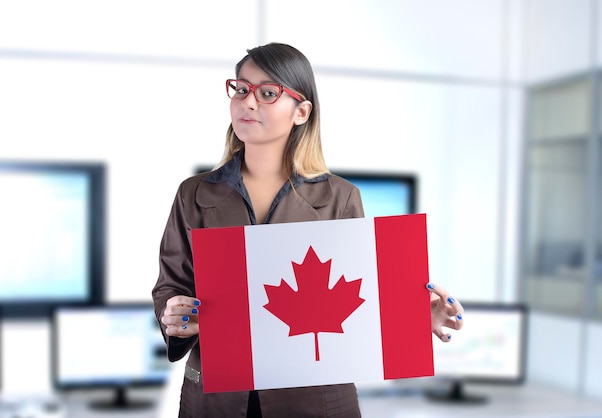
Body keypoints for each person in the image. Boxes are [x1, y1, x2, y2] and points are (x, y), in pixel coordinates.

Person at [152, 42, 464, 418]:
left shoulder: (340, 197)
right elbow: (171, 286)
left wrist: (412, 320)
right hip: (216, 399)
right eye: (241, 89)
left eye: (268, 93)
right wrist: (175, 317)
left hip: (313, 401)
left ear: (301, 112)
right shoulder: (195, 193)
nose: (248, 103)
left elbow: (360, 301)